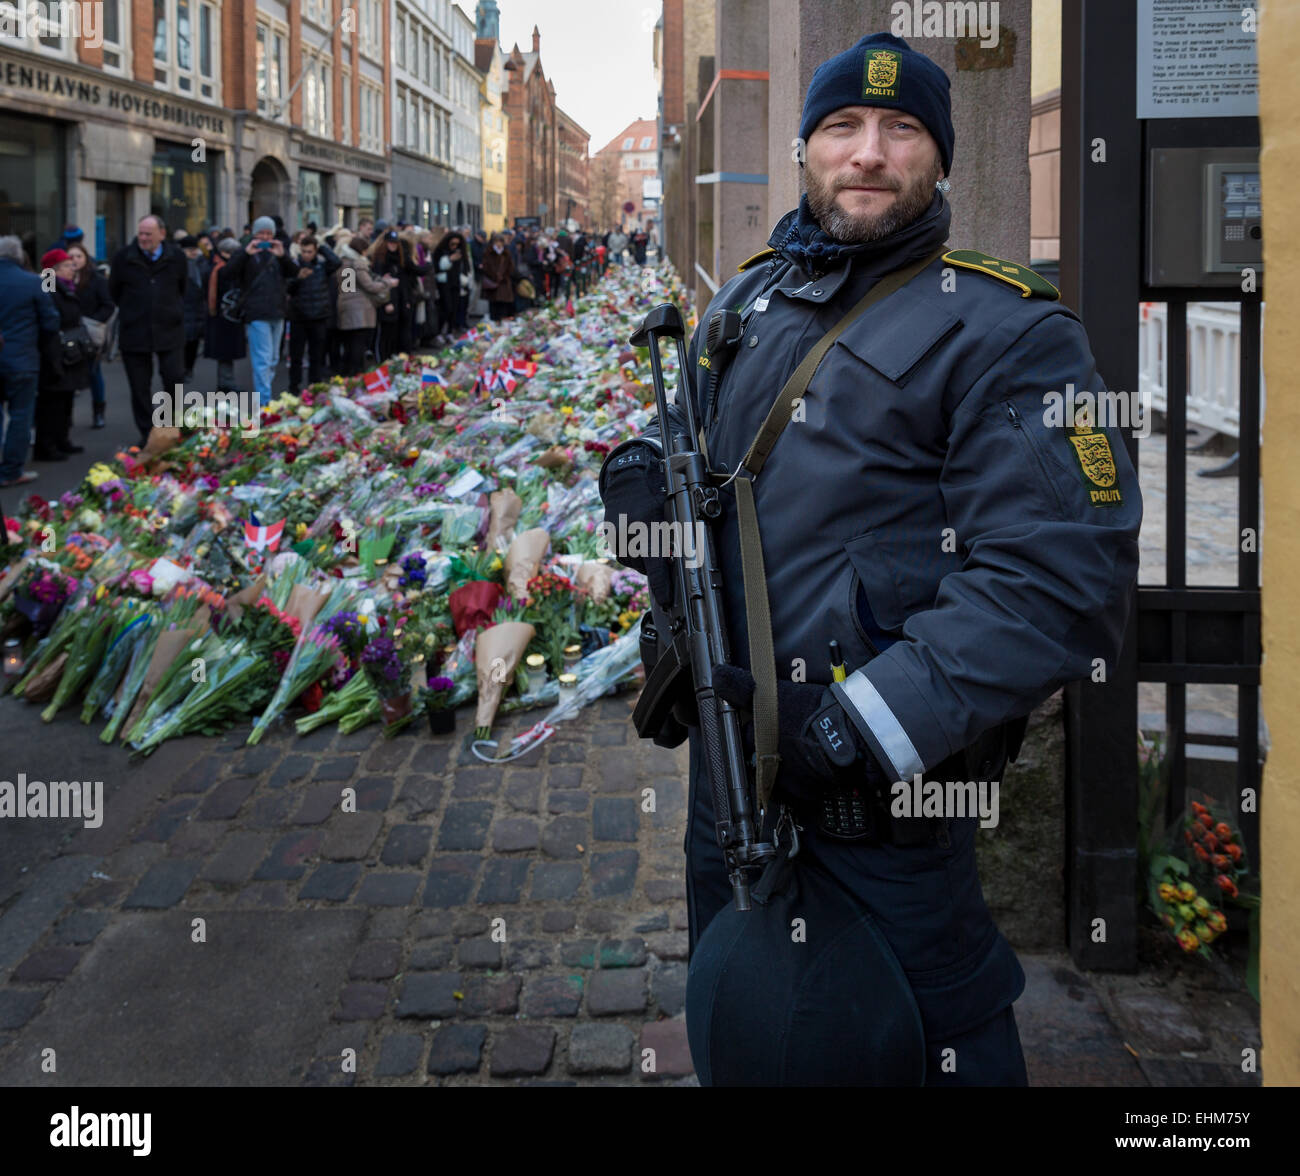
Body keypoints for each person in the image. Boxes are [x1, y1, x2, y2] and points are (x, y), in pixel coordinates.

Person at [598, 31, 1142, 1087]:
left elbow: (1058, 574)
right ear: (806, 148)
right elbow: (709, 486)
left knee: (928, 1047)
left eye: (901, 130)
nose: (868, 152)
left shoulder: (1005, 330)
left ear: (939, 159)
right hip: (729, 799)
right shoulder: (746, 304)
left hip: (878, 820)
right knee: (753, 1028)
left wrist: (864, 725)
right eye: (843, 126)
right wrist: (648, 508)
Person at [108, 214, 188, 448]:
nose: (143, 238)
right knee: (139, 386)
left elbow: (182, 289)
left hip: (169, 329)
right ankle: (147, 432)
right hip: (135, 331)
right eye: (140, 233)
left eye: (148, 234)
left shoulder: (176, 257)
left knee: (174, 380)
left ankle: (169, 427)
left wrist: (171, 310)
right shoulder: (124, 258)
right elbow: (114, 291)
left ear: (162, 234)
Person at [0, 235, 60, 486]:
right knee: (21, 415)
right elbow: (51, 322)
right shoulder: (34, 282)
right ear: (20, 256)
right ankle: (12, 470)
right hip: (22, 359)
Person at [223, 215, 296, 406]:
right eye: (261, 233)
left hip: (278, 311)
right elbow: (228, 273)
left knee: (272, 359)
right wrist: (245, 254)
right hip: (256, 312)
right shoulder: (244, 252)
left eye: (269, 233)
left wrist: (283, 256)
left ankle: (265, 393)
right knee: (262, 359)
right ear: (254, 234)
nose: (265, 237)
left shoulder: (279, 251)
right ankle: (264, 402)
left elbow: (294, 274)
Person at [34, 249, 90, 461]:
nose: (72, 268)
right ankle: (47, 445)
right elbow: (49, 318)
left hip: (69, 350)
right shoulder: (48, 286)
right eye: (67, 265)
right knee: (52, 402)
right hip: (54, 351)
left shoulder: (67, 287)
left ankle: (62, 440)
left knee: (66, 399)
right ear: (54, 270)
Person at [67, 242, 114, 429]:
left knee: (94, 373)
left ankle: (99, 412)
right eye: (70, 257)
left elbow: (108, 305)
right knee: (68, 376)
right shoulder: (57, 278)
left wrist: (93, 322)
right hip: (67, 335)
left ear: (85, 258)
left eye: (78, 256)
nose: (74, 260)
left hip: (89, 334)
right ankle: (66, 416)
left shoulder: (97, 279)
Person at [285, 235, 341, 393]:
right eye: (303, 251)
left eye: (310, 251)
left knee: (316, 355)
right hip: (299, 316)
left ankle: (314, 385)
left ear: (315, 251)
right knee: (296, 355)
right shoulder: (295, 266)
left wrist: (323, 247)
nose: (306, 255)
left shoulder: (322, 266)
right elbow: (287, 287)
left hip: (318, 317)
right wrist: (298, 278)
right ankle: (294, 387)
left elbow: (337, 262)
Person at [333, 230, 390, 376]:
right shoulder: (357, 264)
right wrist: (386, 283)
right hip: (360, 311)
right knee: (358, 345)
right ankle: (356, 375)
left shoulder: (344, 263)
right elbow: (369, 285)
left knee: (349, 345)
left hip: (346, 309)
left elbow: (347, 289)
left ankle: (347, 375)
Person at [368, 230, 428, 359]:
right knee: (385, 335)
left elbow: (411, 275)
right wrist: (386, 299)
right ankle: (383, 360)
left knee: (397, 333)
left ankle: (396, 358)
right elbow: (372, 284)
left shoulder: (401, 259)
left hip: (400, 300)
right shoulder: (378, 261)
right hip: (385, 301)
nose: (393, 246)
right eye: (390, 243)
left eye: (395, 244)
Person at [205, 237, 247, 393]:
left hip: (226, 314)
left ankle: (225, 382)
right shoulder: (219, 268)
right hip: (223, 315)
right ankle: (225, 383)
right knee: (225, 352)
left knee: (225, 352)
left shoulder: (216, 265)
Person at [179, 235, 210, 379]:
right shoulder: (180, 265)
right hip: (184, 306)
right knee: (184, 341)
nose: (193, 252)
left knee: (193, 341)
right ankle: (183, 368)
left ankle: (188, 368)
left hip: (197, 307)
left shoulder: (202, 262)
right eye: (189, 249)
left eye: (194, 249)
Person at [432, 231, 471, 335]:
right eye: (452, 244)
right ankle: (439, 332)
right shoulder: (441, 251)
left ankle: (450, 331)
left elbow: (464, 267)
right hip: (444, 283)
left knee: (454, 308)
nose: (454, 246)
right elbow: (438, 267)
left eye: (457, 244)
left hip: (456, 283)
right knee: (446, 308)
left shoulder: (460, 253)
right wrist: (450, 259)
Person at [480, 232, 515, 321]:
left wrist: (504, 276)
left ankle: (501, 323)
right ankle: (494, 322)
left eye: (500, 242)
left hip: (504, 282)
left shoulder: (506, 253)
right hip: (492, 282)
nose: (498, 244)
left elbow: (510, 267)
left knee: (503, 304)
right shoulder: (488, 252)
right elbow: (486, 266)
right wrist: (494, 275)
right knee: (493, 304)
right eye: (496, 242)